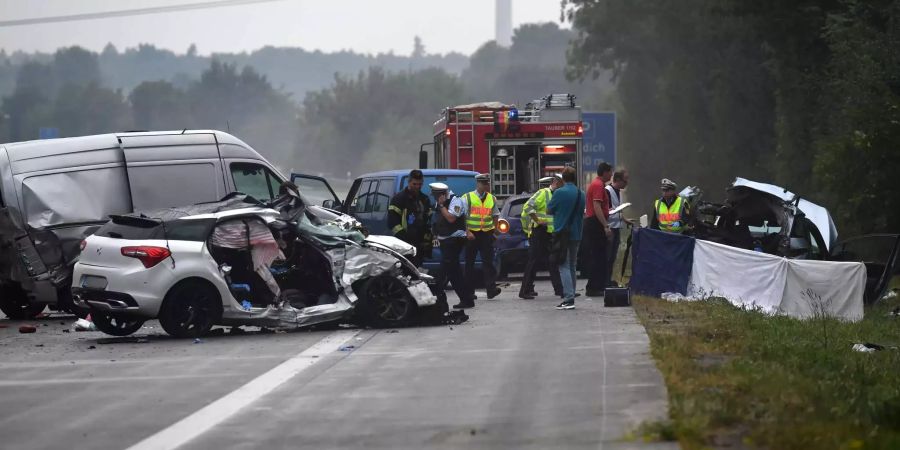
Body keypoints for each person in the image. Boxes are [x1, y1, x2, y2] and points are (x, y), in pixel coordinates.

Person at [430, 182, 476, 309]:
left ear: (442, 194)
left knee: (443, 272)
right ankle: (467, 299)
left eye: (435, 195)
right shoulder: (440, 203)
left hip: (454, 240)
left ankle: (434, 300)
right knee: (454, 273)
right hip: (445, 240)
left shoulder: (455, 201)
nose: (434, 198)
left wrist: (441, 205)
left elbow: (451, 218)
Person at [518, 174, 564, 299]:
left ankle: (560, 290)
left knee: (552, 262)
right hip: (539, 231)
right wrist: (537, 220)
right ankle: (524, 291)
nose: (563, 186)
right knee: (533, 261)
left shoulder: (557, 195)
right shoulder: (543, 193)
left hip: (549, 233)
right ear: (556, 182)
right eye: (561, 183)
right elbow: (527, 207)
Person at [547, 166, 585, 310]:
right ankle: (572, 294)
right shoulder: (581, 194)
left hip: (562, 233)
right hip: (576, 233)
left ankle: (568, 298)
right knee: (572, 265)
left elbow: (549, 210)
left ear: (563, 178)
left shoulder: (559, 193)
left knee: (563, 265)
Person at [463, 173, 502, 299]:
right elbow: (462, 216)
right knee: (470, 263)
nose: (486, 186)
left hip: (486, 233)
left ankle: (491, 290)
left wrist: (495, 231)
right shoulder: (467, 197)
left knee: (488, 262)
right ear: (478, 184)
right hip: (472, 234)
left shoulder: (492, 198)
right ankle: (469, 292)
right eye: (484, 183)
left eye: (487, 183)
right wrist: (467, 232)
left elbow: (495, 215)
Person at [388, 169, 432, 266]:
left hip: (420, 244)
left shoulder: (424, 199)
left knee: (417, 270)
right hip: (404, 244)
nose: (417, 187)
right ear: (409, 182)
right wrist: (405, 239)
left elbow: (428, 221)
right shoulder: (399, 199)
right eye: (414, 184)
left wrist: (426, 239)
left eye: (420, 184)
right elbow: (392, 223)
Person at [583, 162, 613, 297]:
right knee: (598, 256)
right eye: (610, 172)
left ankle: (597, 285)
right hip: (595, 223)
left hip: (594, 222)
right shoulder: (598, 185)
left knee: (599, 255)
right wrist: (605, 226)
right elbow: (596, 207)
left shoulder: (597, 184)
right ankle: (594, 287)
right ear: (605, 172)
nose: (611, 174)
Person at [604, 169, 630, 287]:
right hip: (611, 228)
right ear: (618, 180)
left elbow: (616, 208)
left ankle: (608, 279)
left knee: (613, 256)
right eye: (625, 180)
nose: (627, 183)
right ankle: (605, 281)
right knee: (608, 256)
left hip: (616, 227)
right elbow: (607, 209)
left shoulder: (617, 191)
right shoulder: (607, 191)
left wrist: (624, 220)